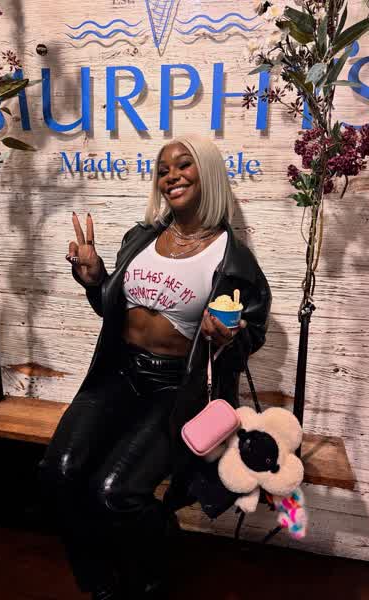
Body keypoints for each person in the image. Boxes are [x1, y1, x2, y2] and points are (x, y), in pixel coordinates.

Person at [37, 135, 272, 599]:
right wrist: (95, 280)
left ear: (208, 173)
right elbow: (112, 309)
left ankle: (150, 573)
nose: (172, 176)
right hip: (118, 375)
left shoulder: (233, 259)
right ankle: (99, 582)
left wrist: (228, 337)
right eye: (163, 170)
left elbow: (252, 333)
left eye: (184, 165)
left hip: (175, 390)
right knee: (56, 472)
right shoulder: (140, 238)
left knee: (114, 492)